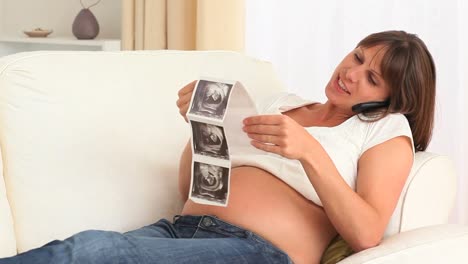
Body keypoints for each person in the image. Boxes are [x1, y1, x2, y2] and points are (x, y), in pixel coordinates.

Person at [0, 30, 436, 264]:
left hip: (260, 252)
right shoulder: (282, 104)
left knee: (92, 253)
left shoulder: (384, 129)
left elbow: (365, 233)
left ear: (390, 98)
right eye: (358, 56)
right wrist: (201, 128)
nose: (352, 72)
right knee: (79, 249)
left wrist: (308, 150)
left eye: (372, 77)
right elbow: (192, 187)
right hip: (181, 230)